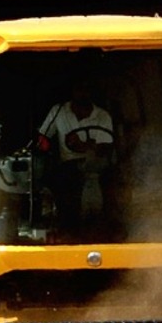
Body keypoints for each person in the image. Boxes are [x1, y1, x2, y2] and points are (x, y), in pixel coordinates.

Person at [37, 78, 115, 230]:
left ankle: (105, 225)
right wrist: (44, 149)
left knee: (111, 181)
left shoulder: (102, 116)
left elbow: (105, 148)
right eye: (79, 89)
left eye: (86, 89)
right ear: (73, 91)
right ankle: (68, 226)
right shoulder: (58, 111)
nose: (82, 93)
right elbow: (43, 137)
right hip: (69, 164)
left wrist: (82, 146)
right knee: (61, 181)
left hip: (98, 164)